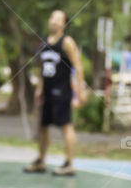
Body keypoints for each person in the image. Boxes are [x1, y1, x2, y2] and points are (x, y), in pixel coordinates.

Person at [24, 10, 86, 176]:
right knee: (43, 126)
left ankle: (69, 163)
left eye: (58, 19)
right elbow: (44, 69)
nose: (54, 21)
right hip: (47, 91)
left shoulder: (67, 42)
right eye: (52, 17)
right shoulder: (44, 42)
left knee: (66, 125)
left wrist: (81, 90)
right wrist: (39, 88)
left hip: (62, 90)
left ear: (64, 25)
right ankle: (41, 160)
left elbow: (78, 66)